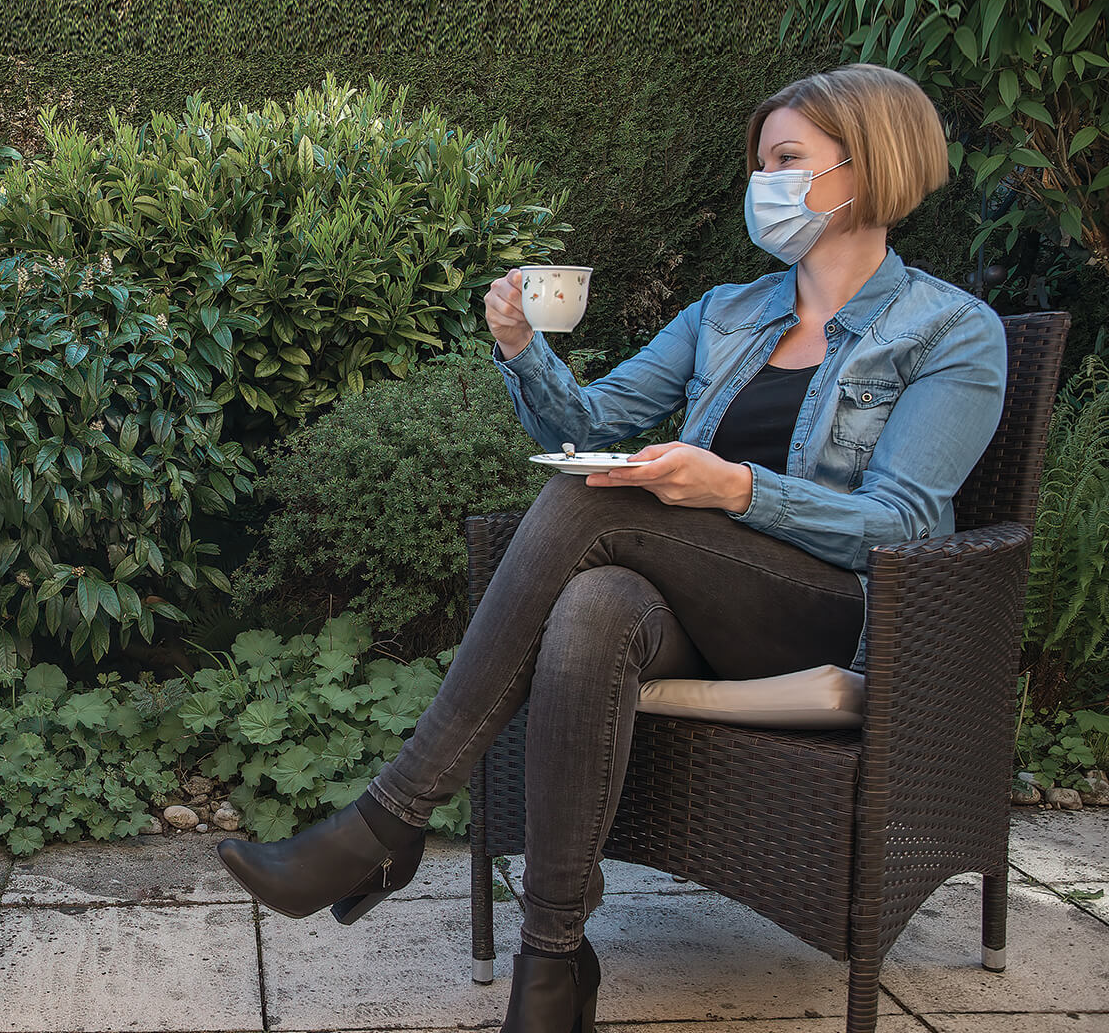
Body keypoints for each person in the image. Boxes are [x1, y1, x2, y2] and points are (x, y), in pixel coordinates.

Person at [216, 64, 1008, 1032]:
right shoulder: (724, 312)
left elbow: (910, 522)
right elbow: (592, 422)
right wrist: (521, 348)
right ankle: (554, 959)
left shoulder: (951, 330)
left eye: (788, 159)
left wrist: (737, 486)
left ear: (869, 163)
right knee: (595, 603)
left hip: (832, 614)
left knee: (593, 503)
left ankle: (387, 818)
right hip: (702, 608)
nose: (768, 183)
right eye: (762, 162)